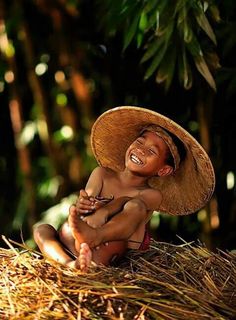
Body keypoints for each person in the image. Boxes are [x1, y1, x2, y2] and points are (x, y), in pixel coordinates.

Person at [33, 106, 215, 271]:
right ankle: (69, 264)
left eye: (152, 152)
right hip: (77, 243)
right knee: (42, 230)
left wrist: (107, 211)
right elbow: (86, 207)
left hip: (111, 253)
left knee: (134, 208)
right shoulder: (101, 174)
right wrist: (85, 204)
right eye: (140, 141)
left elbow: (132, 203)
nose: (141, 150)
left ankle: (94, 242)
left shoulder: (152, 195)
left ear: (163, 169)